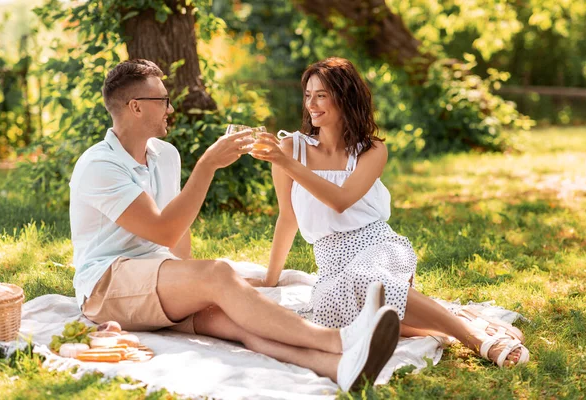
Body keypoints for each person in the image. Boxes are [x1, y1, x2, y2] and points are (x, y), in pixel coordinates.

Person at [68, 58, 403, 392]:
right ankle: (341, 341)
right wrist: (207, 166)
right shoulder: (100, 164)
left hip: (155, 279)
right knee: (218, 273)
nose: (171, 108)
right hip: (107, 284)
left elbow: (177, 229)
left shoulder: (164, 154)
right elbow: (163, 230)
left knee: (240, 319)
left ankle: (340, 367)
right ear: (136, 107)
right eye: (163, 100)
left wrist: (187, 279)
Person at [249, 57, 529, 368]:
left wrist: (288, 165)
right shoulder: (291, 149)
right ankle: (457, 319)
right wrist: (270, 279)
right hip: (330, 259)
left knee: (368, 279)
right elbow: (288, 217)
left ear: (344, 97)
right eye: (307, 94)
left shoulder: (371, 150)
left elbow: (341, 200)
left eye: (321, 95)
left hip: (377, 245)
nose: (311, 104)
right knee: (332, 318)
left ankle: (476, 340)